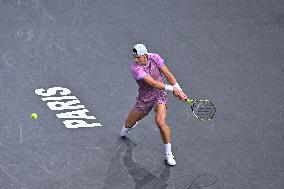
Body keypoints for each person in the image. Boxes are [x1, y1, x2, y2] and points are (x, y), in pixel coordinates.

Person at [120, 44, 188, 166]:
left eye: (138, 57)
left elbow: (168, 74)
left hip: (160, 95)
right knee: (126, 127)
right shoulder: (135, 68)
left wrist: (179, 90)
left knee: (160, 122)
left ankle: (168, 153)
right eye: (134, 57)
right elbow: (153, 83)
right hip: (145, 98)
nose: (135, 60)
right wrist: (173, 90)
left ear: (145, 56)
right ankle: (130, 127)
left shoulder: (155, 58)